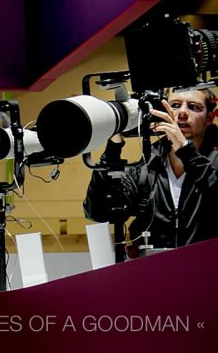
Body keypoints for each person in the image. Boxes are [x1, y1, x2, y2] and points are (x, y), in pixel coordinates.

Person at [84, 88, 218, 255]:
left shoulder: (214, 162)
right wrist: (113, 148)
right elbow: (98, 212)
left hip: (208, 269)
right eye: (175, 105)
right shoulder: (148, 162)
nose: (182, 113)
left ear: (209, 118)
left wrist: (185, 150)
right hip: (155, 272)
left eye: (193, 107)